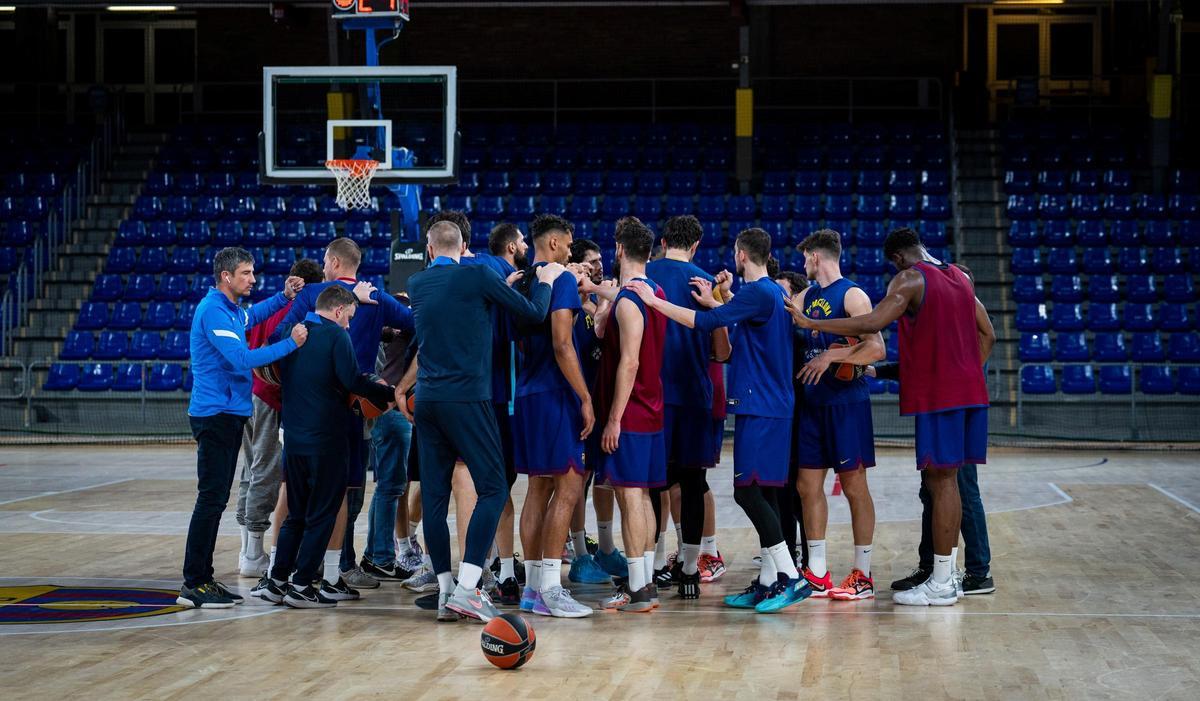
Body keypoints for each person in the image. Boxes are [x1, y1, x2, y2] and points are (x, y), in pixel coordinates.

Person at [788, 227, 994, 607]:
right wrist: (966, 375)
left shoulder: (910, 278)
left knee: (946, 483)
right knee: (941, 482)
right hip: (966, 394)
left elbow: (872, 325)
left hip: (939, 398)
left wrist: (814, 325)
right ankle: (941, 573)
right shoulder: (961, 276)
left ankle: (948, 580)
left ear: (898, 258)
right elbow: (989, 334)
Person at [627, 227, 811, 614]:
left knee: (748, 491)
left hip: (760, 405)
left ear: (741, 254)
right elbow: (729, 327)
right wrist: (717, 301)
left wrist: (654, 302)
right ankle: (767, 582)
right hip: (774, 404)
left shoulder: (758, 292)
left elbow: (705, 324)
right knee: (768, 493)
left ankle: (790, 576)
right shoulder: (775, 292)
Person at [399, 220, 566, 623]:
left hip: (429, 403)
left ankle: (443, 592)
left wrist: (499, 288)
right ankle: (469, 587)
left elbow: (460, 308)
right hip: (469, 400)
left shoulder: (419, 284)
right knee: (493, 488)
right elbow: (533, 313)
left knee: (435, 500)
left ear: (429, 247)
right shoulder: (476, 274)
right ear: (464, 246)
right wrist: (546, 278)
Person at [275, 237, 413, 594]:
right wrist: (394, 390)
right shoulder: (375, 297)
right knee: (345, 491)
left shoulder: (312, 295)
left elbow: (279, 336)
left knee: (299, 496)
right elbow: (417, 324)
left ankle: (284, 575)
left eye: (324, 261)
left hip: (304, 410)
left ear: (335, 262)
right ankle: (332, 572)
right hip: (354, 405)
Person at [178, 247, 307, 609]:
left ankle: (203, 578)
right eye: (247, 274)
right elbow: (242, 359)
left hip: (228, 413)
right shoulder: (214, 311)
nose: (253, 279)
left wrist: (284, 297)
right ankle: (194, 582)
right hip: (215, 415)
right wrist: (290, 343)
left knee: (215, 498)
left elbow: (254, 315)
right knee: (210, 499)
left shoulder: (231, 310)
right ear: (226, 277)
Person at [254, 285, 397, 608]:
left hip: (294, 439)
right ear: (337, 311)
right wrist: (389, 393)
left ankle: (277, 581)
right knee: (323, 514)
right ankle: (302, 585)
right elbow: (352, 381)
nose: (348, 324)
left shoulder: (294, 334)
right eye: (348, 317)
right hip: (328, 441)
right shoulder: (336, 336)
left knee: (296, 515)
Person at [791, 230, 886, 601]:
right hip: (812, 405)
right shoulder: (806, 296)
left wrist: (833, 356)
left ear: (815, 257)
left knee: (853, 486)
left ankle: (863, 574)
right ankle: (817, 571)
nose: (803, 265)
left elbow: (875, 348)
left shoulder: (852, 295)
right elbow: (776, 308)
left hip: (846, 405)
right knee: (806, 486)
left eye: (804, 259)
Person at [511, 214, 597, 619]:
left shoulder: (524, 280)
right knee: (569, 485)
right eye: (567, 243)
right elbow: (563, 345)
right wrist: (585, 397)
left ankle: (531, 589)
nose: (569, 250)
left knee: (538, 488)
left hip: (526, 392)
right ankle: (550, 589)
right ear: (554, 243)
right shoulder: (560, 279)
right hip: (555, 394)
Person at [643, 215, 731, 599]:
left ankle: (653, 565)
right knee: (693, 484)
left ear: (662, 241)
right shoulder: (705, 281)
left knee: (651, 485)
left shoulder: (644, 275)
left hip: (652, 395)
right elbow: (721, 352)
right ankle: (692, 571)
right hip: (695, 395)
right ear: (695, 245)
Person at [590, 218, 668, 612]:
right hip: (653, 408)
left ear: (618, 250)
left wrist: (615, 418)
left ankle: (637, 588)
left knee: (629, 495)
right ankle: (645, 583)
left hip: (631, 411)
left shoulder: (628, 300)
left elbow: (630, 362)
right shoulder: (654, 291)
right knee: (642, 495)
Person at [235, 258, 324, 578]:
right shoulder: (297, 314)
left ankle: (247, 549)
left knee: (251, 469)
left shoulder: (268, 305)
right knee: (267, 472)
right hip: (269, 398)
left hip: (248, 394)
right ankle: (254, 553)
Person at [563, 236, 617, 586]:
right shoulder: (569, 310)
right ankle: (580, 553)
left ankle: (607, 548)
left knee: (604, 477)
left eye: (600, 261)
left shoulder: (593, 305)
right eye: (591, 262)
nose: (599, 267)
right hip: (575, 405)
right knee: (576, 482)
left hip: (600, 402)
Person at [360, 295, 417, 581]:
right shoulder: (406, 324)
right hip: (394, 409)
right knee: (391, 487)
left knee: (389, 486)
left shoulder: (384, 327)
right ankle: (380, 556)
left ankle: (376, 554)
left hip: (385, 409)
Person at [772, 269, 810, 571]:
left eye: (783, 293)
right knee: (782, 492)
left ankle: (811, 561)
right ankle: (787, 556)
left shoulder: (802, 332)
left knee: (802, 495)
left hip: (805, 419)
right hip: (785, 419)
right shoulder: (785, 330)